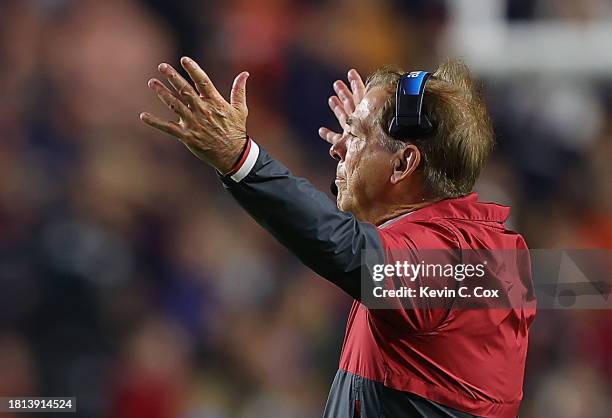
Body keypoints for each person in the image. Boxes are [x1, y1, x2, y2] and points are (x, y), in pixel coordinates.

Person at [140, 57, 536, 418]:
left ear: (403, 163)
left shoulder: (453, 264)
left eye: (356, 136)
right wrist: (369, 152)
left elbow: (345, 247)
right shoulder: (477, 253)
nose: (337, 150)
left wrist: (240, 160)